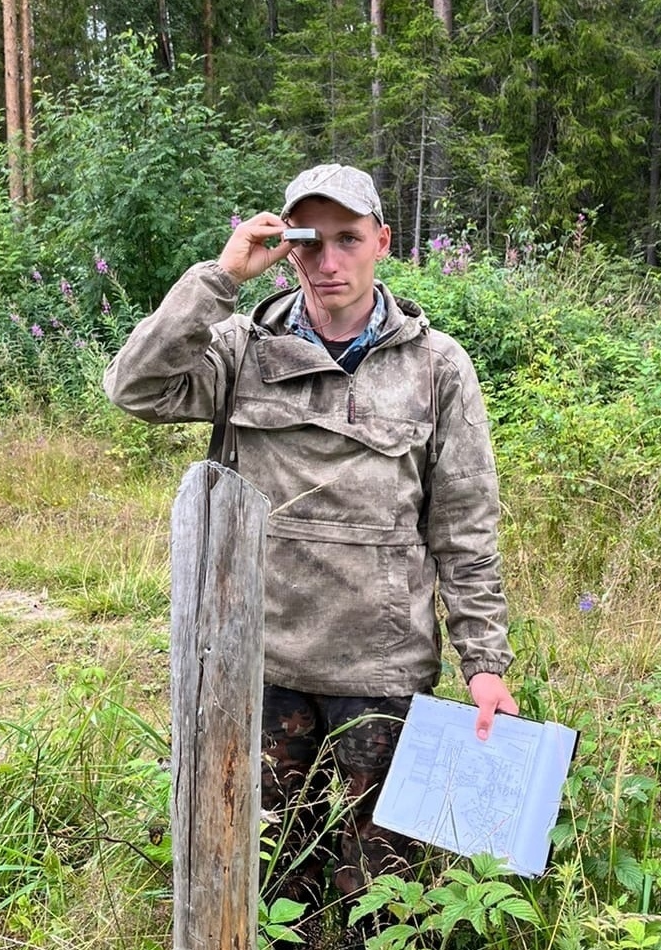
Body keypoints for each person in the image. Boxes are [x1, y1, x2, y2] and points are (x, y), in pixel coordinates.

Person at [104, 163, 517, 945]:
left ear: (382, 243)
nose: (329, 261)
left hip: (382, 674)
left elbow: (464, 527)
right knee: (262, 889)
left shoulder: (437, 368)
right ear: (285, 247)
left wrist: (484, 663)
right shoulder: (239, 348)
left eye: (348, 240)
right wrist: (220, 277)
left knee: (387, 906)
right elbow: (134, 389)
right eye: (308, 241)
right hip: (258, 668)